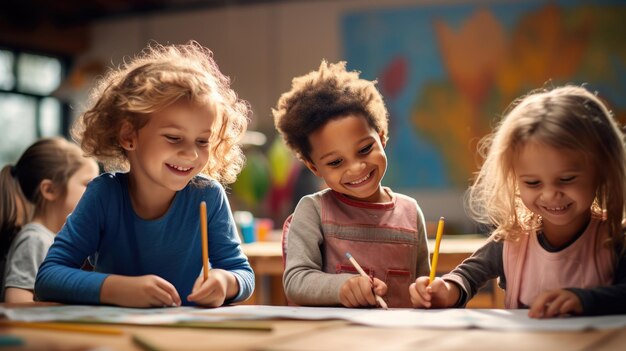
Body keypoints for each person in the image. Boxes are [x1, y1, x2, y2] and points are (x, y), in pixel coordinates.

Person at [34, 41, 255, 307]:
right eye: (174, 138)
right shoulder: (104, 194)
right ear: (129, 136)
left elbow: (242, 273)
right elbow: (48, 277)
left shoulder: (208, 195)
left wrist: (225, 282)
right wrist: (117, 289)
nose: (192, 154)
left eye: (202, 141)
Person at [409, 85, 626, 317]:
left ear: (601, 171)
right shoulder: (511, 239)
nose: (551, 194)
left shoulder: (615, 239)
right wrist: (445, 290)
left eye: (567, 179)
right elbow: (466, 276)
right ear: (514, 180)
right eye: (533, 183)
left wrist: (584, 300)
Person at [273, 60, 430, 308]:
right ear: (315, 168)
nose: (357, 167)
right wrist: (342, 287)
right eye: (335, 162)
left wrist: (429, 292)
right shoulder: (313, 211)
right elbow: (296, 281)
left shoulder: (411, 212)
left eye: (365, 149)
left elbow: (423, 283)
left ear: (382, 137)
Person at [0, 137, 99, 302]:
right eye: (87, 184)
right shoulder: (35, 240)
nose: (96, 193)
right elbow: (16, 304)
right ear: (50, 190)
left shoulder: (55, 240)